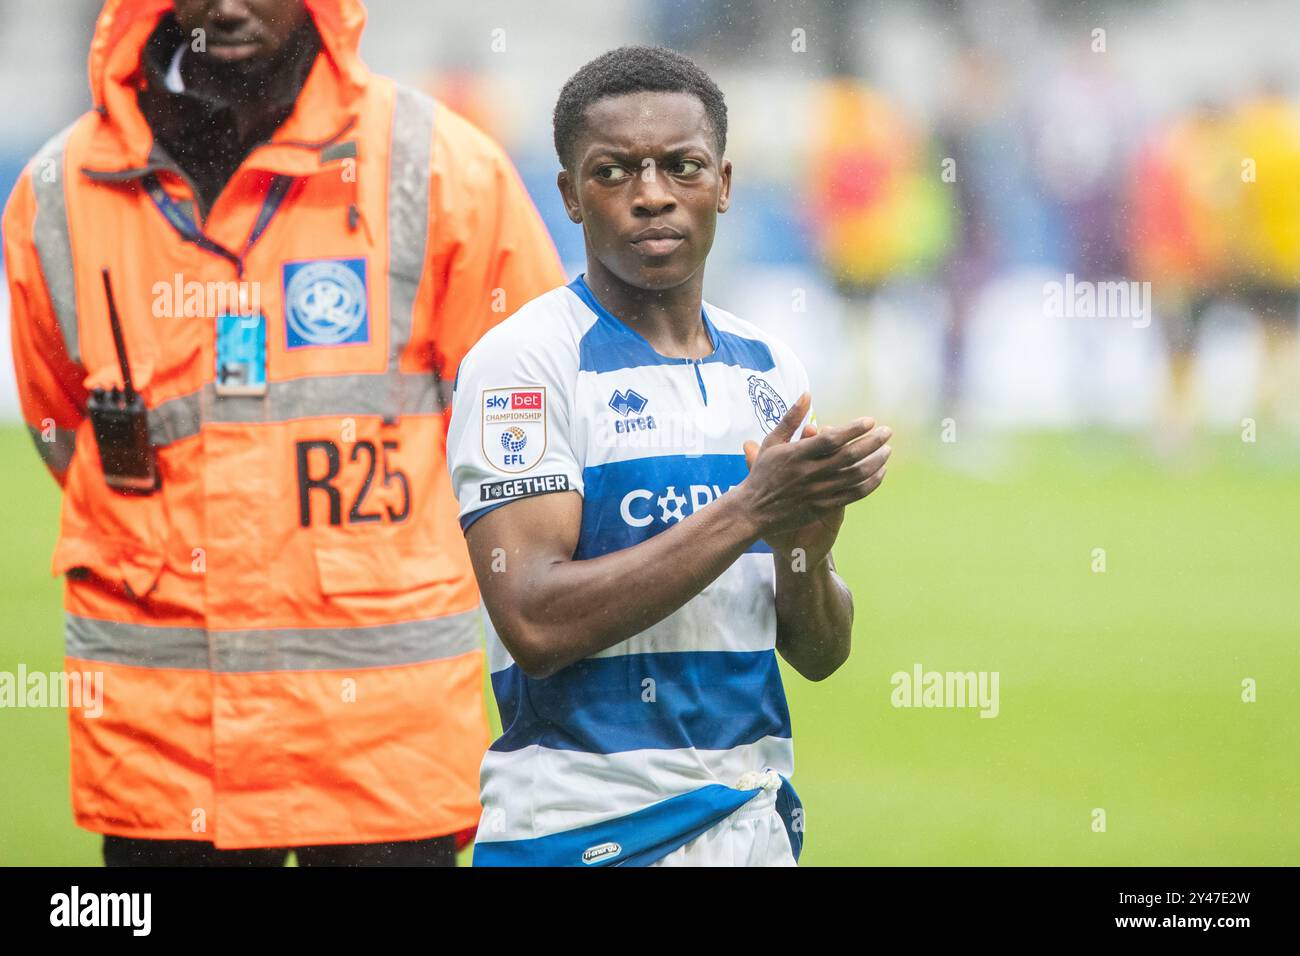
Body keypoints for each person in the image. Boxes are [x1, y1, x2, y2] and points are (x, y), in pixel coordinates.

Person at [3, 0, 564, 866]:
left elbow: (529, 425)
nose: (227, 6)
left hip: (383, 755)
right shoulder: (58, 191)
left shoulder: (440, 168)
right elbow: (64, 430)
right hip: (166, 761)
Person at [447, 46, 893, 866]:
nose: (652, 195)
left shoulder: (768, 368)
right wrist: (753, 509)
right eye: (614, 172)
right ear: (572, 197)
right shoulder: (527, 363)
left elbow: (821, 656)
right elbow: (536, 620)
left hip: (752, 828)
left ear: (722, 183)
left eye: (681, 167)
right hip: (582, 832)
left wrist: (804, 548)